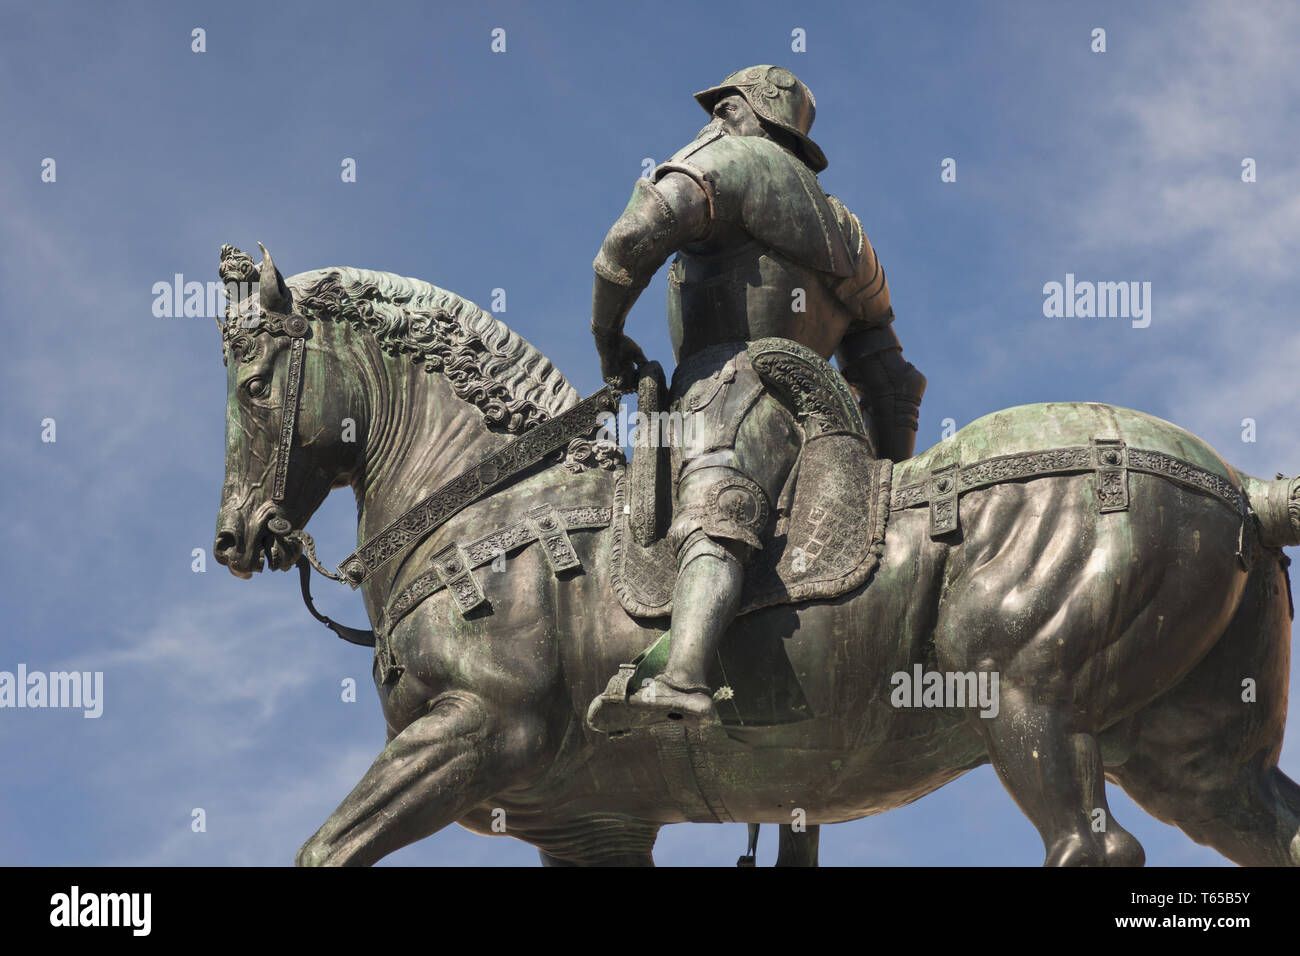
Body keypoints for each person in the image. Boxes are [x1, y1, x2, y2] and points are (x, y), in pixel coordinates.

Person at [590, 66, 926, 728]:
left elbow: (628, 240)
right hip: (827, 420)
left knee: (715, 506)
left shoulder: (724, 161)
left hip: (731, 382)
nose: (712, 119)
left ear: (747, 113)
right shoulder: (851, 236)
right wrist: (886, 487)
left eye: (723, 107)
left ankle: (682, 676)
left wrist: (607, 334)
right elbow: (890, 381)